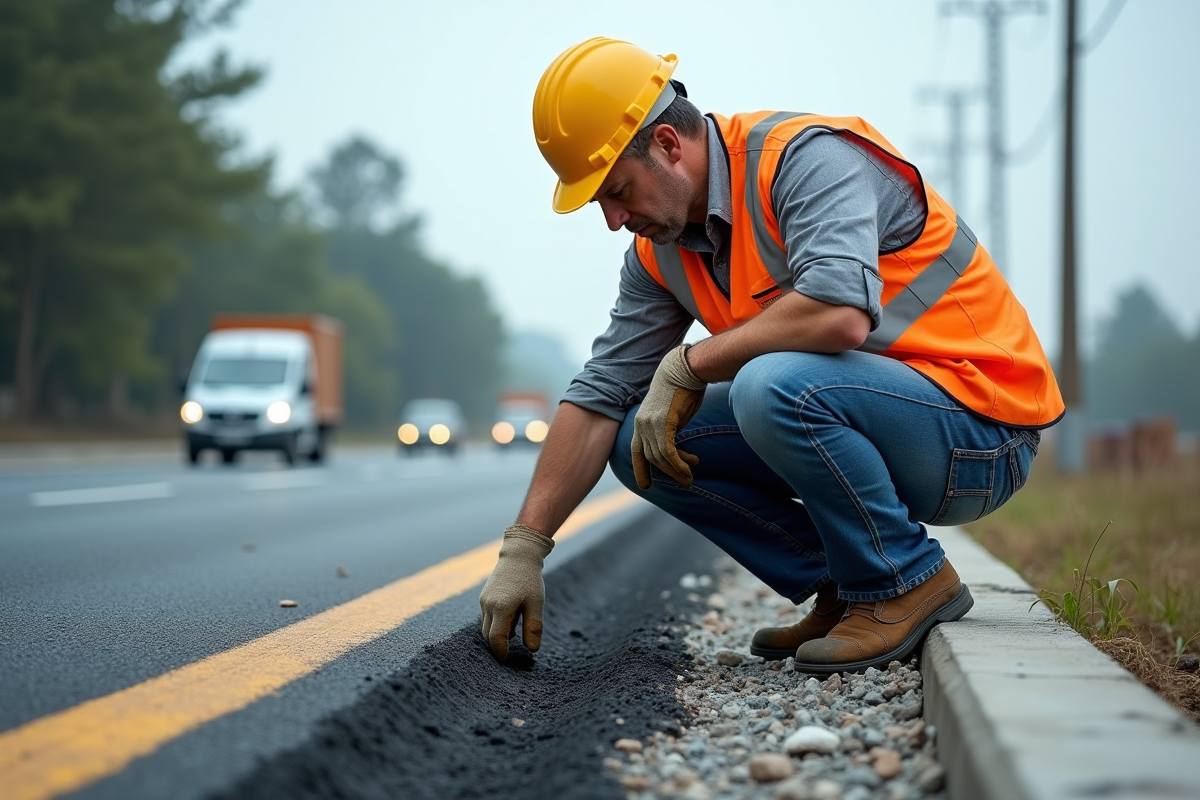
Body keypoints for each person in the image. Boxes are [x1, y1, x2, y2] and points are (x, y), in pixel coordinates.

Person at [479, 37, 1062, 675]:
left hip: (981, 432)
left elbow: (839, 313)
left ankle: (903, 580)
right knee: (637, 442)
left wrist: (689, 364)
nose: (614, 220)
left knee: (768, 384)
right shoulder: (659, 252)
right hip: (880, 423)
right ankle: (848, 585)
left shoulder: (806, 161)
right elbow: (600, 393)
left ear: (668, 145)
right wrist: (525, 548)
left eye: (617, 191)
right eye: (601, 203)